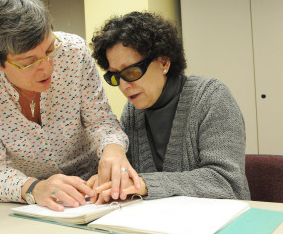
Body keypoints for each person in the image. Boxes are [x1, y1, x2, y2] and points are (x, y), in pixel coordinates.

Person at [0, 0, 139, 212]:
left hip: (93, 188)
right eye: (29, 62)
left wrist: (113, 151)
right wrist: (34, 188)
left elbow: (101, 122)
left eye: (49, 50)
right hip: (36, 200)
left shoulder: (73, 53)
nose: (47, 67)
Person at [88, 11, 250, 202]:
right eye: (115, 76)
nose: (123, 86)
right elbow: (128, 174)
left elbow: (226, 182)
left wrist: (144, 184)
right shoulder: (132, 111)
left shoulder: (212, 97)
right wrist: (112, 179)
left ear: (163, 61)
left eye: (131, 72)